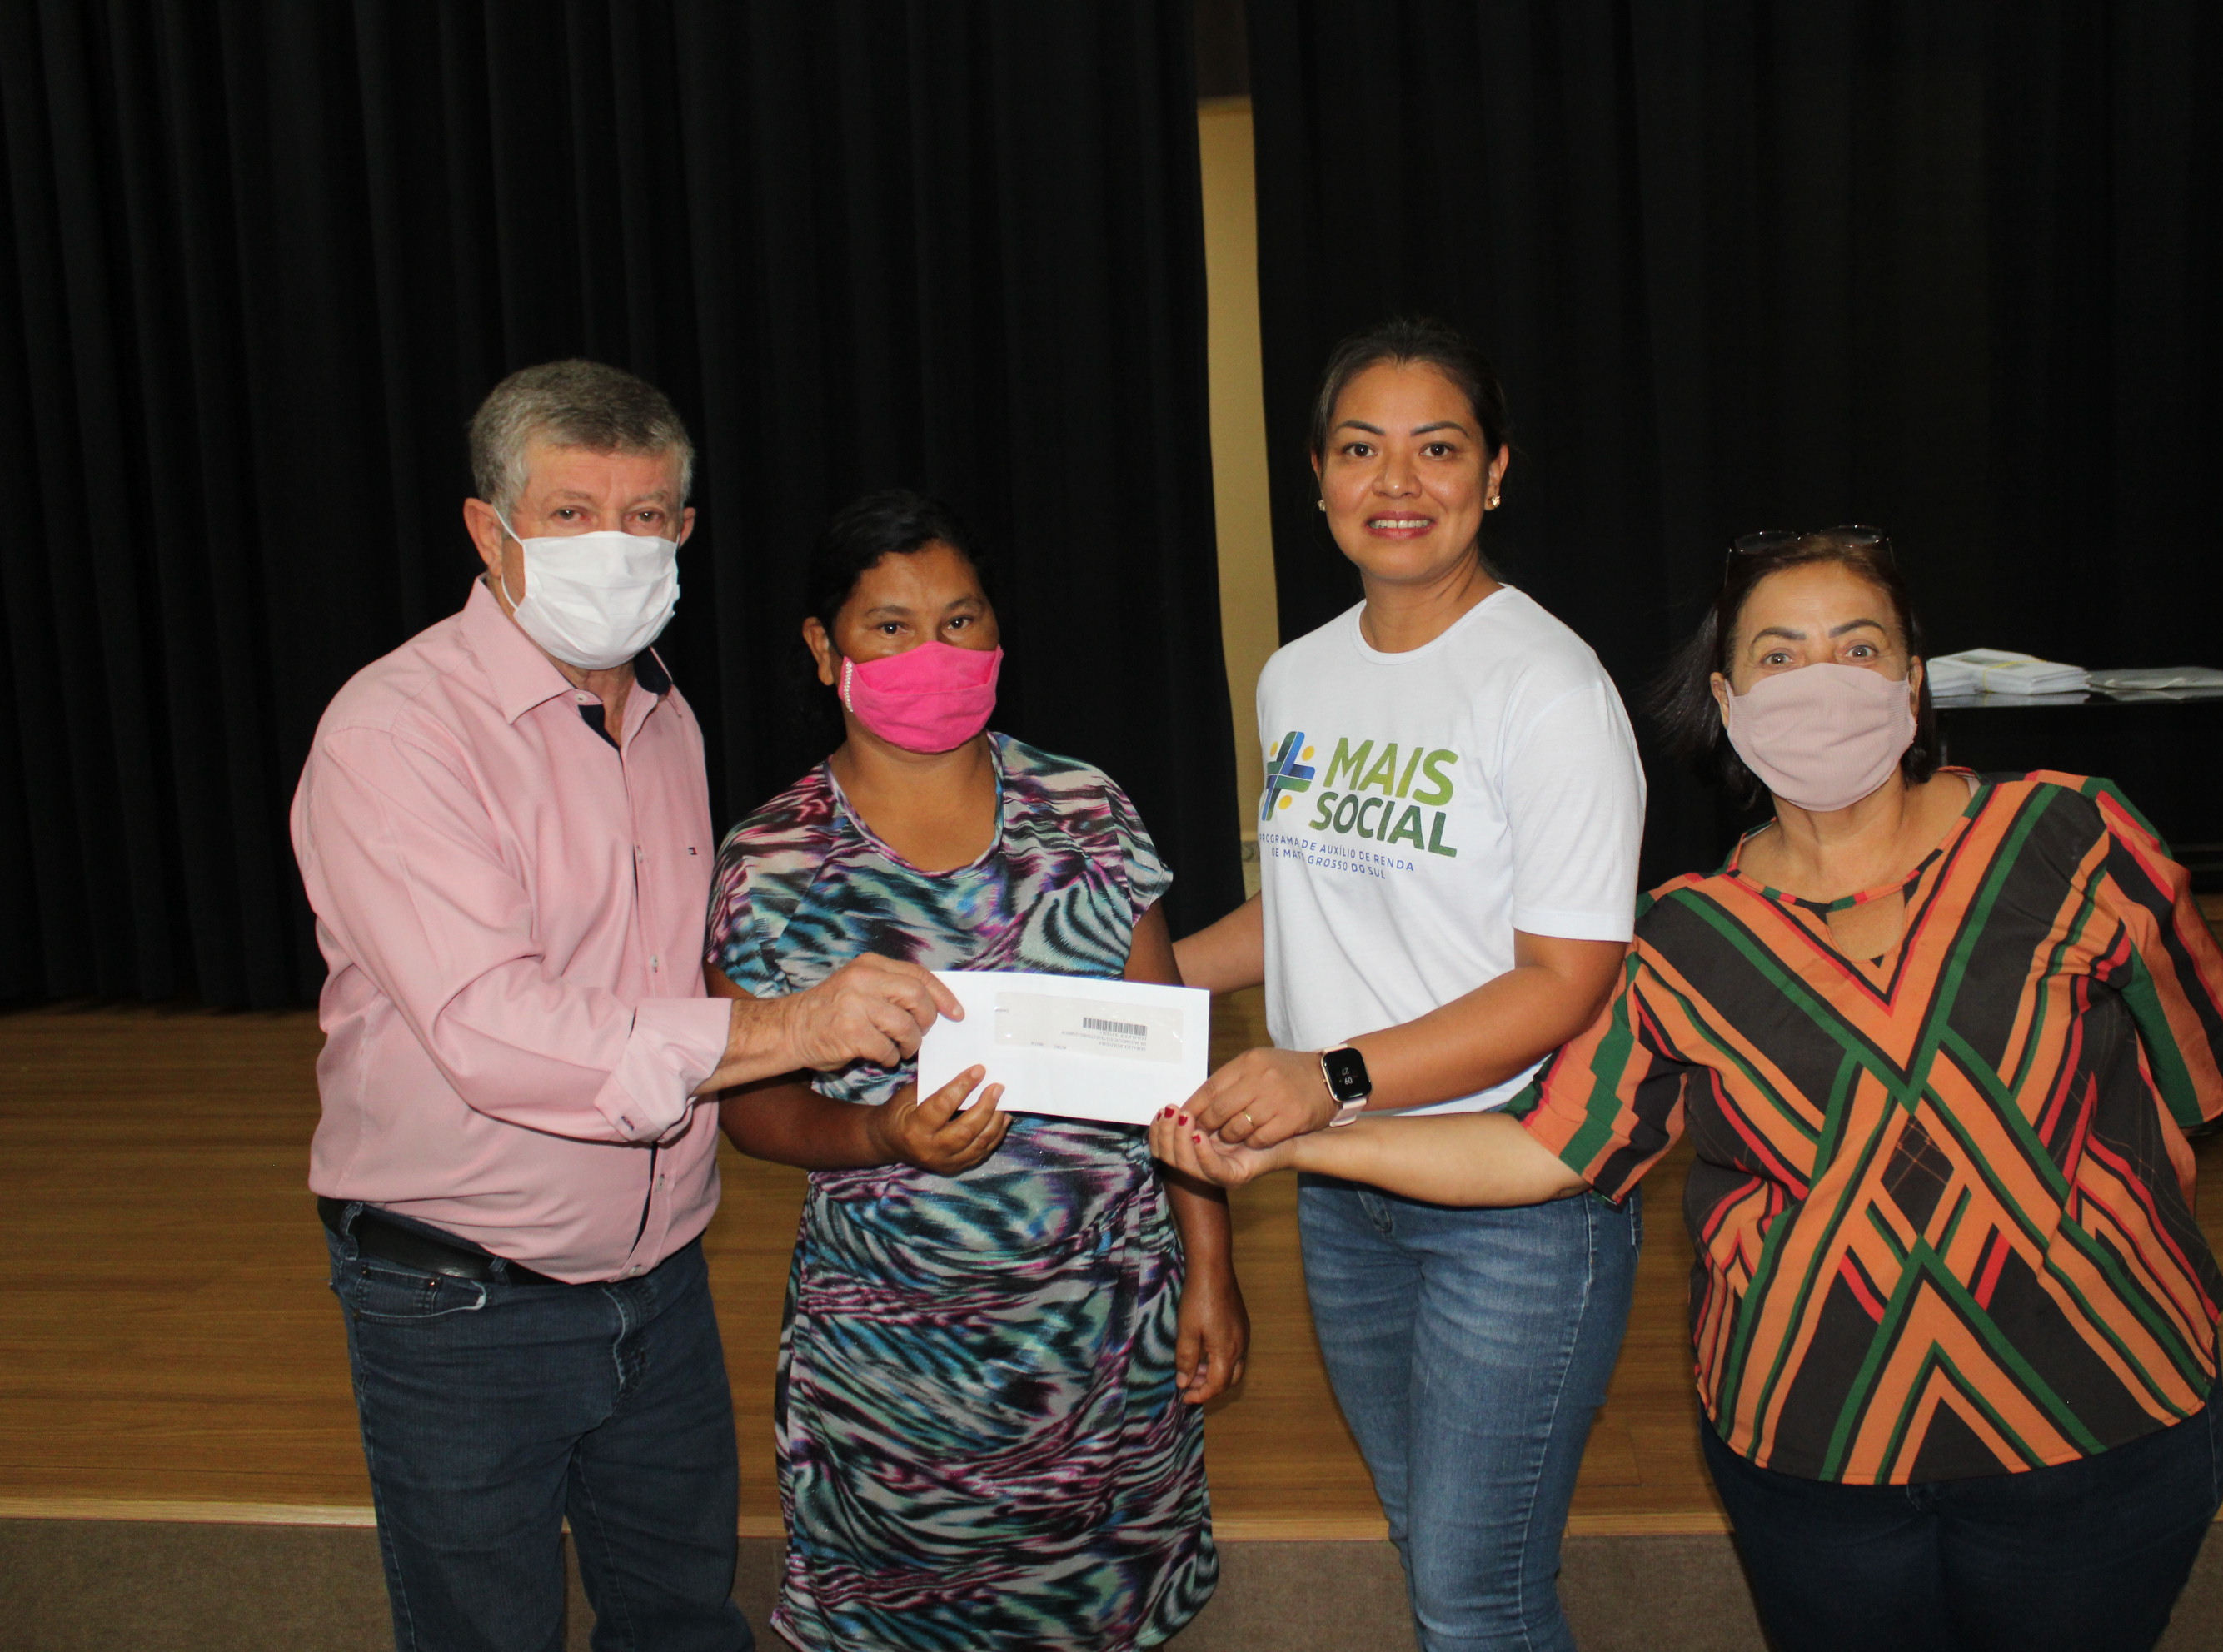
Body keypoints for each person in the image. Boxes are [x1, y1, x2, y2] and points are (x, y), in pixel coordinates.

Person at [1156, 527, 2223, 1652]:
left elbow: (2199, 1086)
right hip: (1815, 1458)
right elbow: (1546, 1149)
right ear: (1728, 703)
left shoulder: (2076, 837)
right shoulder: (1682, 937)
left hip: (2104, 1429)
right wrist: (1294, 1144)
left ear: (1914, 682)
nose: (1822, 683)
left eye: (1858, 648)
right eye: (1780, 656)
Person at [292, 361, 965, 1652]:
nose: (616, 544)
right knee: (486, 1631)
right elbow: (496, 1030)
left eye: (646, 516)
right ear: (488, 529)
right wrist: (794, 1026)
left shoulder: (665, 718)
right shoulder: (397, 733)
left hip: (660, 1282)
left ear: (686, 531)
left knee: (681, 1615)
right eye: (571, 513)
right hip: (463, 1298)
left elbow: (662, 979)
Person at [1172, 319, 1647, 1651]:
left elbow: (1566, 981)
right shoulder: (1297, 675)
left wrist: (1329, 1079)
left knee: (1474, 1596)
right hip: (1343, 1193)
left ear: (1495, 474)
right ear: (1317, 477)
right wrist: (1137, 976)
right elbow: (1311, 898)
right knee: (1429, 1546)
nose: (1397, 483)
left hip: (1513, 1201)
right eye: (1360, 449)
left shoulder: (1547, 688)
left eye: (1437, 449)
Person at [702, 490, 1244, 1651]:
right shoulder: (772, 861)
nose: (934, 652)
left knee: (1103, 1617)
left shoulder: (1085, 811)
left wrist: (1210, 1267)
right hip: (895, 1365)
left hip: (1107, 1336)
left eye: (960, 619)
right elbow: (748, 1108)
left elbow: (1173, 1066)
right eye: (890, 626)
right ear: (825, 648)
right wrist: (879, 1133)